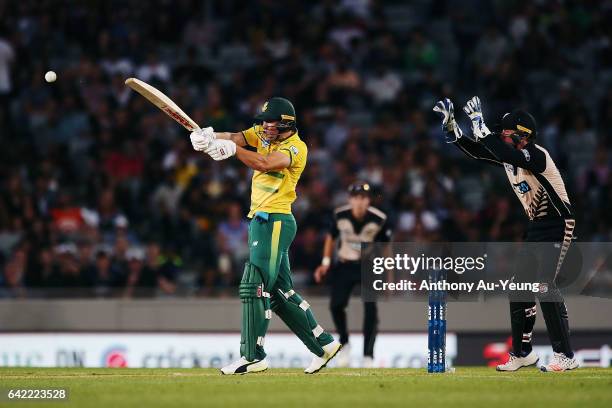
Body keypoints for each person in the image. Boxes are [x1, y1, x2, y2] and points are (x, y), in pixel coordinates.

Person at [189, 97, 341, 375]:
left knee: (254, 285)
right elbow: (237, 136)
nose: (265, 127)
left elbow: (264, 163)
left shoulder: (296, 147)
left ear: (286, 123)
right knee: (279, 294)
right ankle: (323, 345)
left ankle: (252, 355)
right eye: (264, 121)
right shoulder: (263, 134)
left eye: (271, 122)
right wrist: (210, 136)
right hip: (262, 221)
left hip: (274, 220)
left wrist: (232, 150)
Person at [433, 97, 578, 372]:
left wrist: (482, 127)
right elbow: (478, 152)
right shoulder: (510, 159)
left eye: (506, 133)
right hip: (536, 227)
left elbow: (505, 152)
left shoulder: (536, 155)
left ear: (523, 135)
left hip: (559, 224)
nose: (501, 136)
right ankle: (523, 353)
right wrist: (454, 131)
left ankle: (565, 355)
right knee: (519, 288)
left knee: (544, 285)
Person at [314, 182, 392, 368]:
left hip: (368, 267)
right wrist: (325, 263)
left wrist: (389, 275)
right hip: (345, 263)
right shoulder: (340, 215)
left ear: (369, 200)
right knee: (336, 305)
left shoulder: (379, 218)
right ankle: (345, 343)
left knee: (371, 310)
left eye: (364, 198)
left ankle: (368, 355)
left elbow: (386, 247)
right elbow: (331, 238)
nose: (360, 202)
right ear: (350, 199)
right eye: (356, 198)